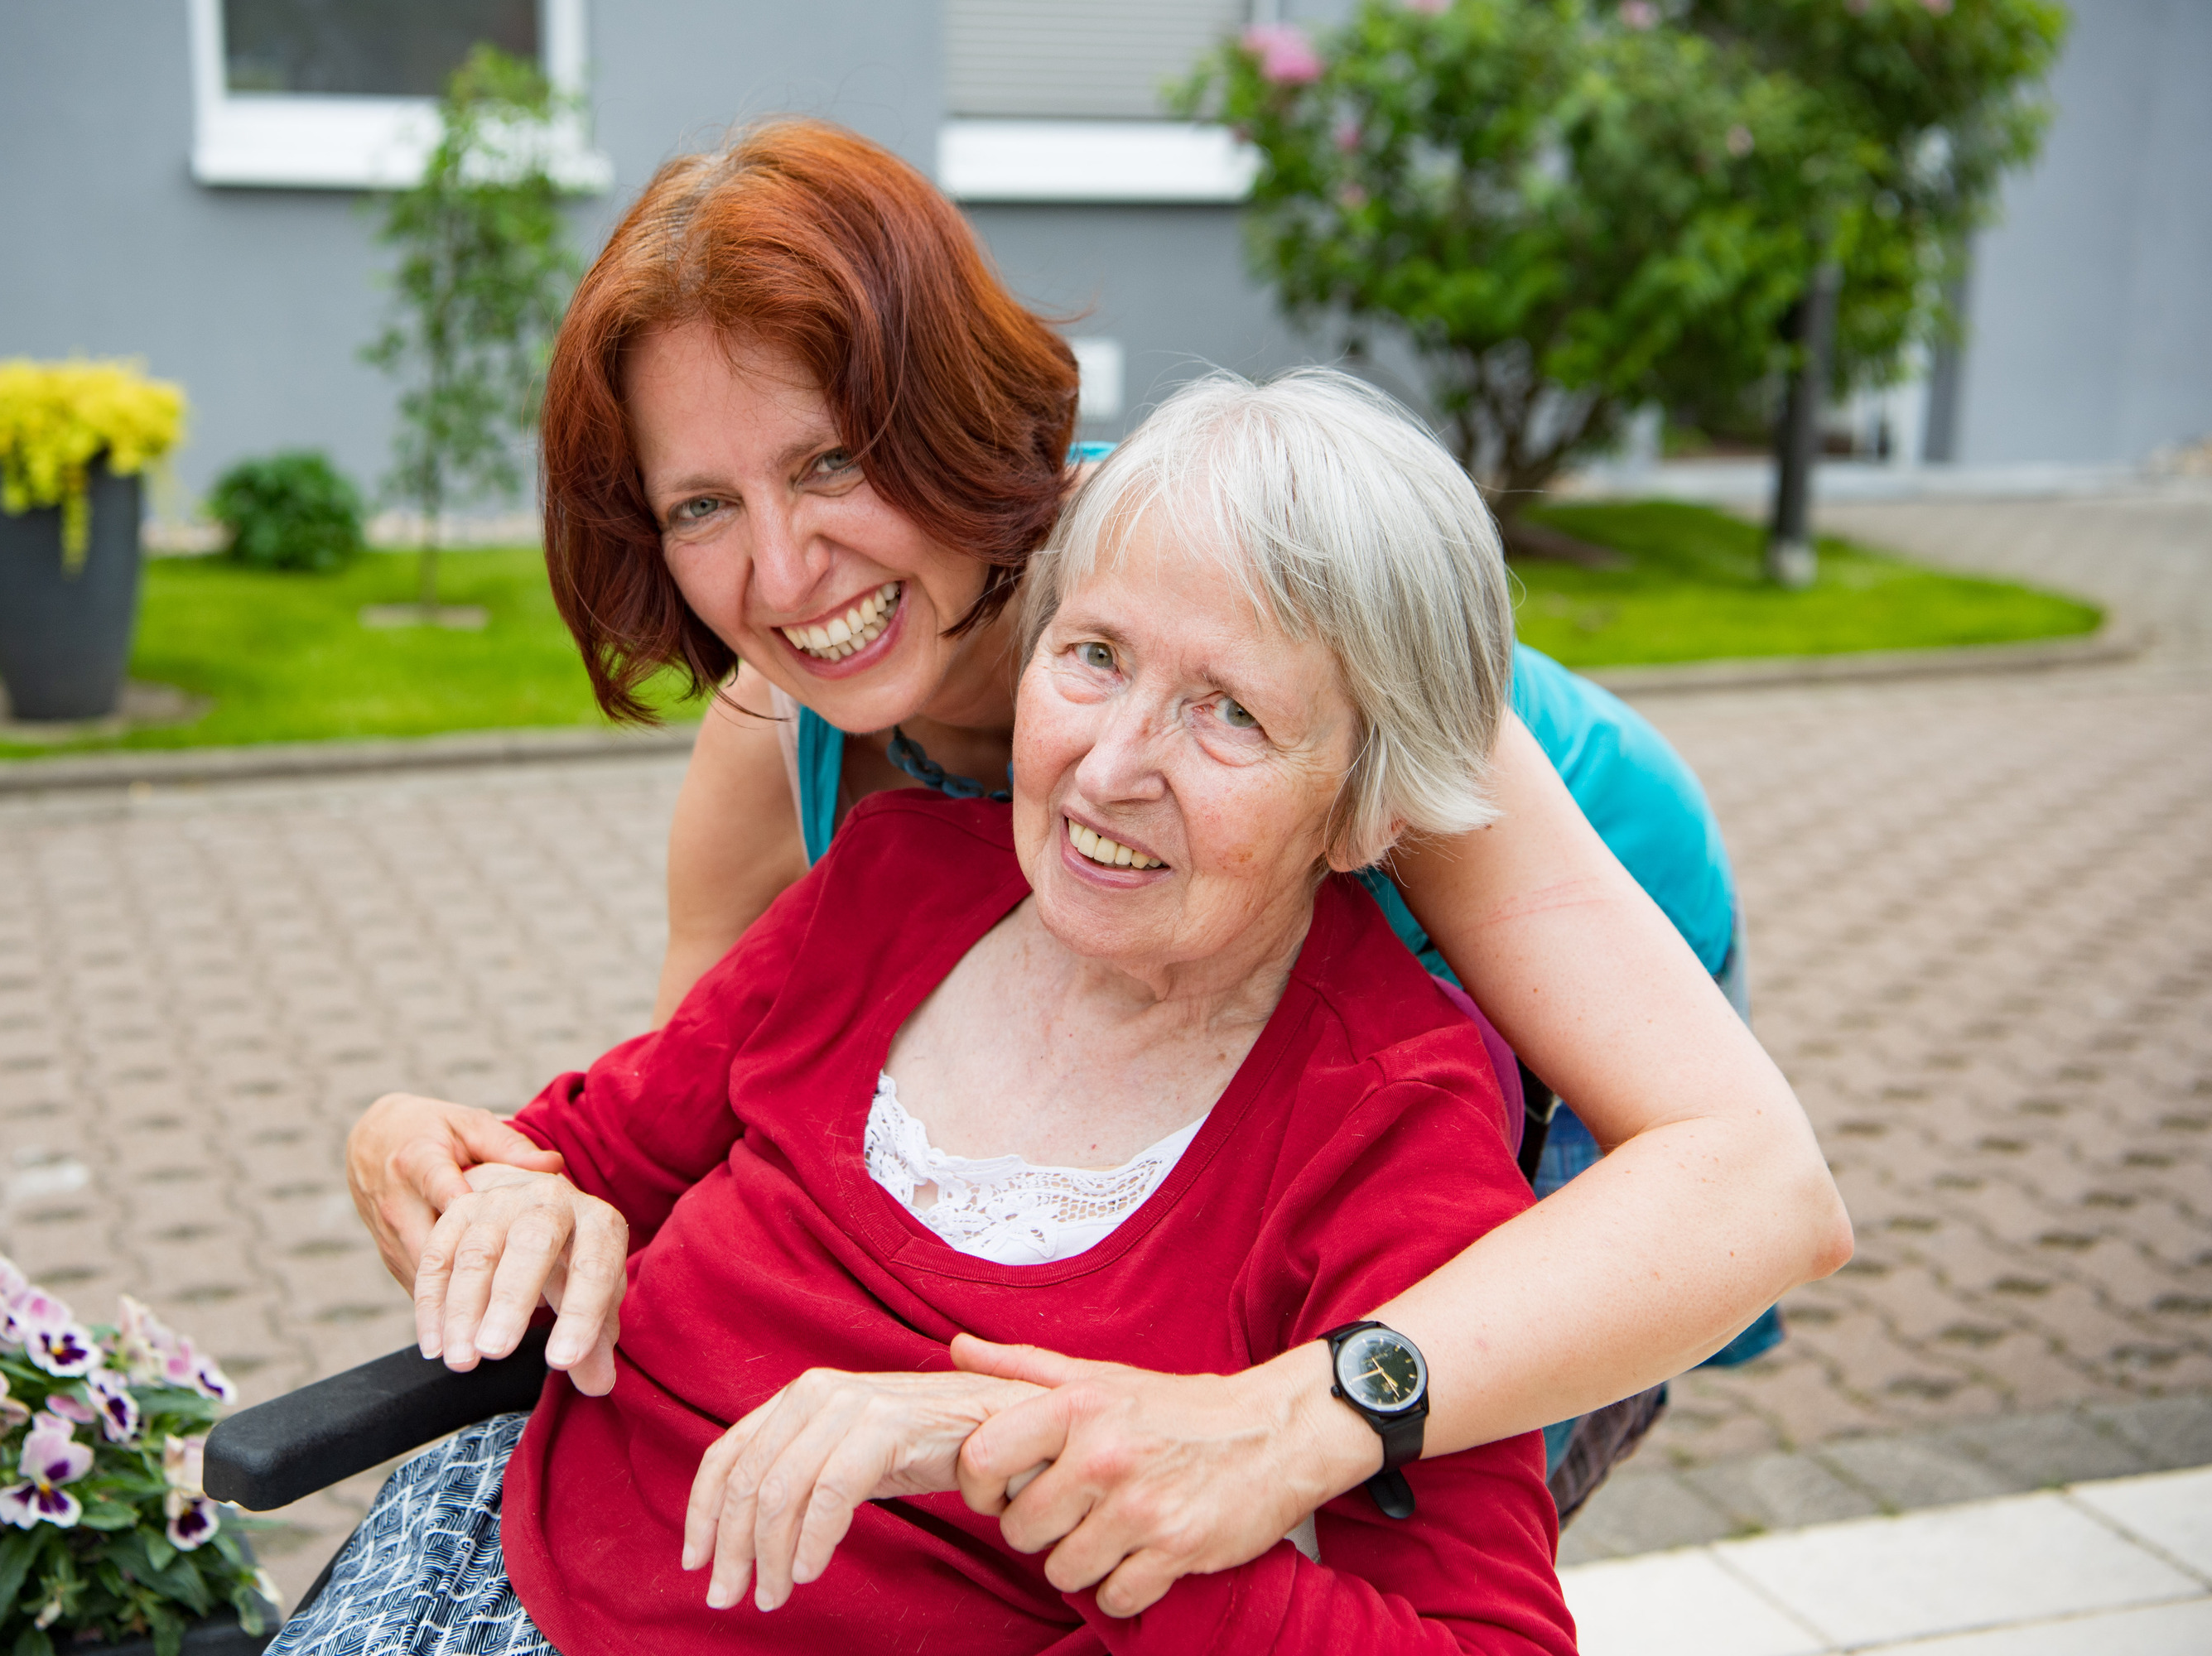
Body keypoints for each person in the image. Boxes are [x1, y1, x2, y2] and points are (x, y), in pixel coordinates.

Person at [347, 118, 1850, 1614]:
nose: (787, 574)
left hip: (1556, 1001)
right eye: (702, 507)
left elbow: (1762, 1187)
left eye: (836, 460)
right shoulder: (781, 718)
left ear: (950, 412)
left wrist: (1295, 1417)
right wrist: (471, 1169)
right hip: (1202, 1025)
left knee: (1290, 1510)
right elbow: (689, 1146)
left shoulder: (1238, 610)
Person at [281, 370, 1574, 1656]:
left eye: (1227, 711)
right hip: (493, 1559)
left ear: (1369, 805)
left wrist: (1059, 1484)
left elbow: (1487, 1641)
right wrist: (472, 1177)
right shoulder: (893, 880)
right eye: (1095, 657)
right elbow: (587, 1156)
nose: (1109, 768)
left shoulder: (1389, 1123)